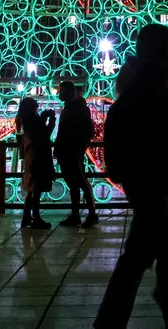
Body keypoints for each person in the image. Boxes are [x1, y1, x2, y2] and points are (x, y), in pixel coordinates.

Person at [97, 23, 168, 329]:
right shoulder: (152, 88)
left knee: (139, 256)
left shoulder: (153, 85)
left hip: (148, 184)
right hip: (150, 185)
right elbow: (162, 137)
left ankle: (111, 321)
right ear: (164, 51)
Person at [54, 80, 97, 226]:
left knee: (81, 181)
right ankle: (76, 214)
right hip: (66, 151)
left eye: (61, 91)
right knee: (73, 183)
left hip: (73, 151)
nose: (59, 93)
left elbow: (87, 130)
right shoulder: (70, 107)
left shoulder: (78, 108)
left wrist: (80, 148)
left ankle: (91, 213)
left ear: (69, 92)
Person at [14, 97, 52, 227]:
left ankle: (27, 216)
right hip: (38, 156)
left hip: (31, 155)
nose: (37, 103)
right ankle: (35, 218)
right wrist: (49, 120)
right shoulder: (32, 120)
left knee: (32, 188)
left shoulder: (24, 120)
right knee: (36, 188)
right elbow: (44, 134)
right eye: (34, 102)